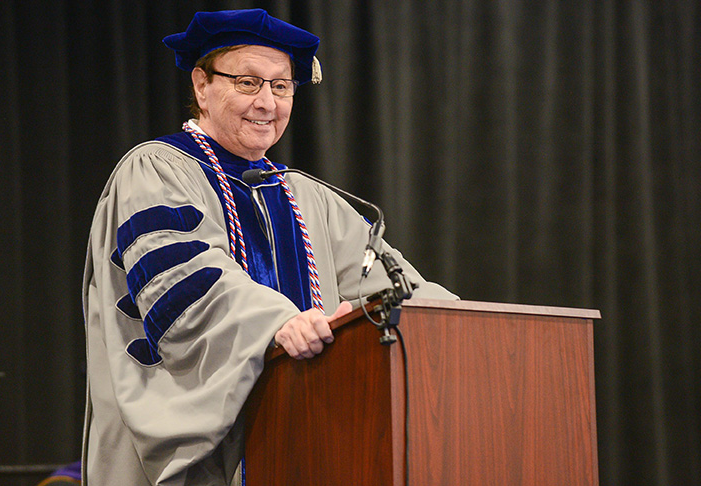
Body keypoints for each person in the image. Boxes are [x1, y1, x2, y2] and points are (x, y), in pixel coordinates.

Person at [82, 9, 457, 486]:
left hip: (306, 444)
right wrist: (276, 323)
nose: (267, 102)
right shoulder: (156, 170)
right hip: (199, 458)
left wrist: (460, 325)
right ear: (202, 85)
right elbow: (182, 283)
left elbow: (394, 287)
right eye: (247, 82)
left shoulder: (306, 196)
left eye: (281, 87)